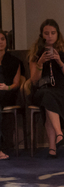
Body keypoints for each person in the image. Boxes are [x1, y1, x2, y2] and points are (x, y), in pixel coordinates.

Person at [28, 19, 64, 158]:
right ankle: (59, 134)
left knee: (48, 100)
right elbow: (33, 80)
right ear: (41, 35)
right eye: (46, 33)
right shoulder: (36, 53)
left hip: (62, 91)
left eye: (52, 33)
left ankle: (52, 147)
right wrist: (40, 63)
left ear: (58, 34)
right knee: (46, 95)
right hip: (41, 90)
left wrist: (59, 62)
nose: (49, 36)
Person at [0, 29, 22, 160]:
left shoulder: (14, 61)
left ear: (6, 42)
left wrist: (6, 87)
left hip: (7, 93)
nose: (0, 42)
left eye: (2, 39)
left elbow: (17, 83)